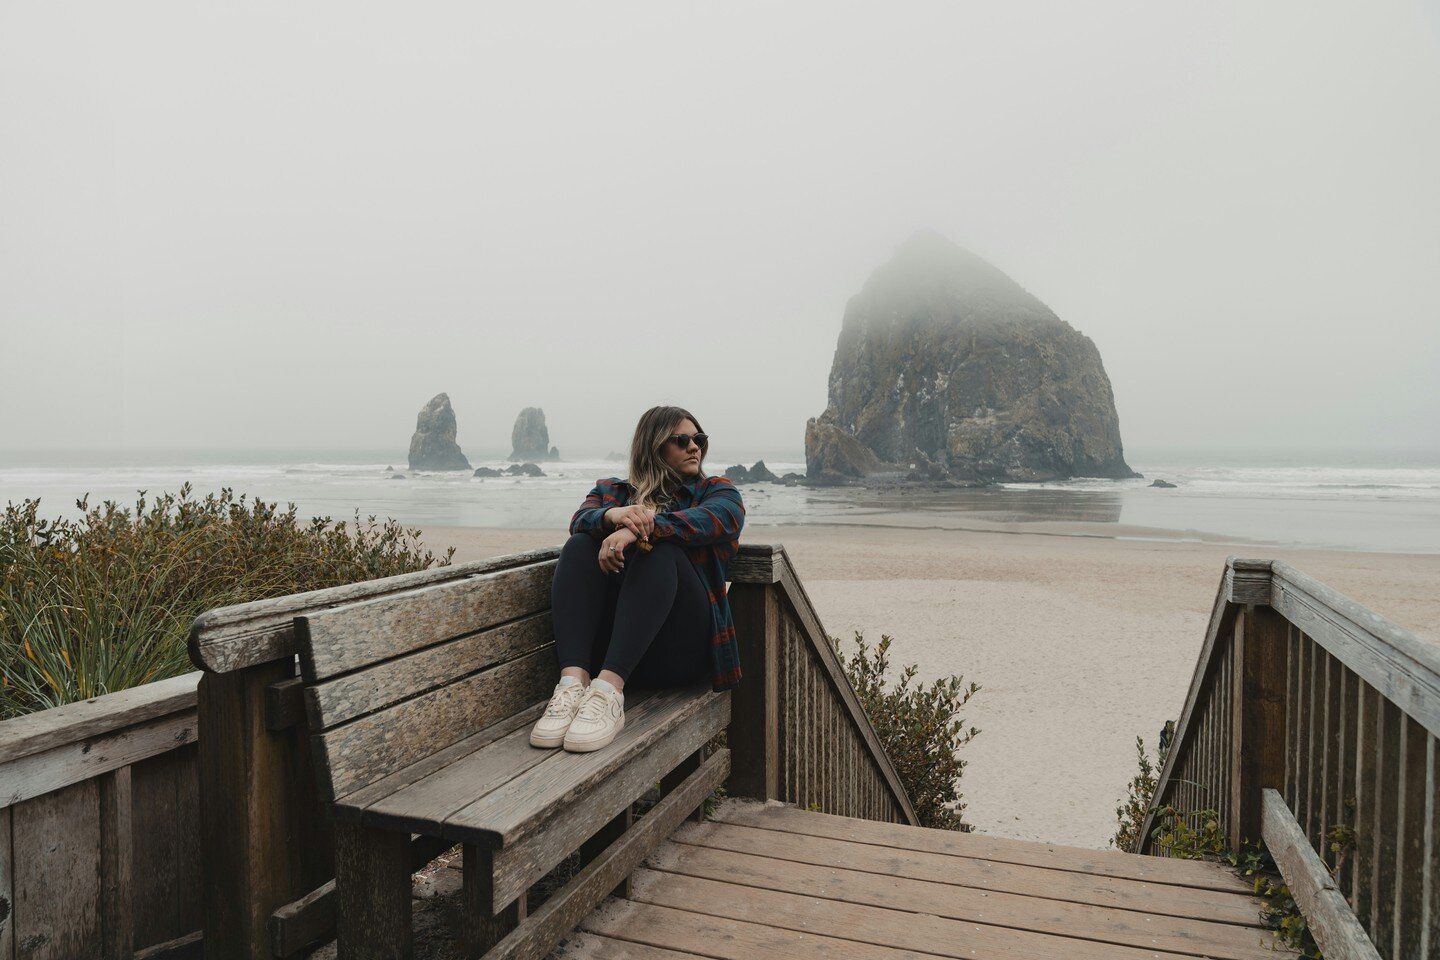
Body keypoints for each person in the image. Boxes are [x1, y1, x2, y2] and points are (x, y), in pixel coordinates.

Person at [530, 405, 745, 753]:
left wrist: (639, 531)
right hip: (616, 651)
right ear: (654, 445)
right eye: (682, 440)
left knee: (660, 550)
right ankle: (573, 683)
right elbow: (581, 519)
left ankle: (610, 694)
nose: (695, 447)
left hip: (679, 654)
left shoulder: (717, 492)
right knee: (580, 545)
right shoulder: (610, 492)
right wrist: (613, 515)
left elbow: (722, 518)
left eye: (699, 439)